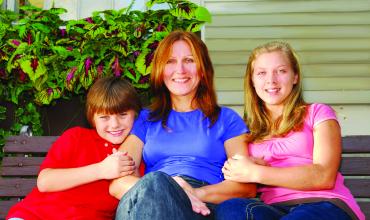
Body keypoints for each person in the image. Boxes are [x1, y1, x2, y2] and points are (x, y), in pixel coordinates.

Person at [109, 30, 257, 220]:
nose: (180, 70)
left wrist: (192, 194)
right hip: (148, 196)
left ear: (203, 69)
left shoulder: (226, 119)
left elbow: (246, 186)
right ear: (160, 70)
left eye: (189, 60)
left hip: (200, 203)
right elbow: (117, 184)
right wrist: (170, 186)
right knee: (155, 182)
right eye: (170, 61)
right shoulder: (146, 120)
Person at [215, 41, 365, 220]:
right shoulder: (245, 129)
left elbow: (323, 176)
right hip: (272, 209)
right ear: (252, 81)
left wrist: (256, 172)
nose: (271, 80)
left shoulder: (318, 113)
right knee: (232, 209)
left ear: (295, 77)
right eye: (262, 73)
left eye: (281, 71)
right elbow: (237, 173)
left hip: (324, 204)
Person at [6, 76, 142, 220]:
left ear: (136, 114)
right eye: (104, 117)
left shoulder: (136, 152)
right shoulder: (76, 137)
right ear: (92, 118)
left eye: (123, 115)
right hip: (35, 215)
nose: (114, 124)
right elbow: (44, 182)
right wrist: (101, 169)